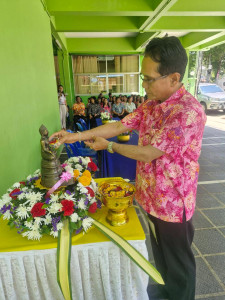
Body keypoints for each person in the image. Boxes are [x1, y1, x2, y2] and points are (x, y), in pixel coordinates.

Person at [50, 36, 206, 300]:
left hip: (171, 203)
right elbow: (120, 125)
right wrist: (73, 136)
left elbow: (148, 154)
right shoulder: (152, 105)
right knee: (161, 257)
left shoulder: (187, 112)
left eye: (148, 78)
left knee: (179, 265)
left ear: (174, 77)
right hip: (151, 196)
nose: (144, 85)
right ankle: (167, 292)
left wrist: (109, 147)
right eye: (142, 78)